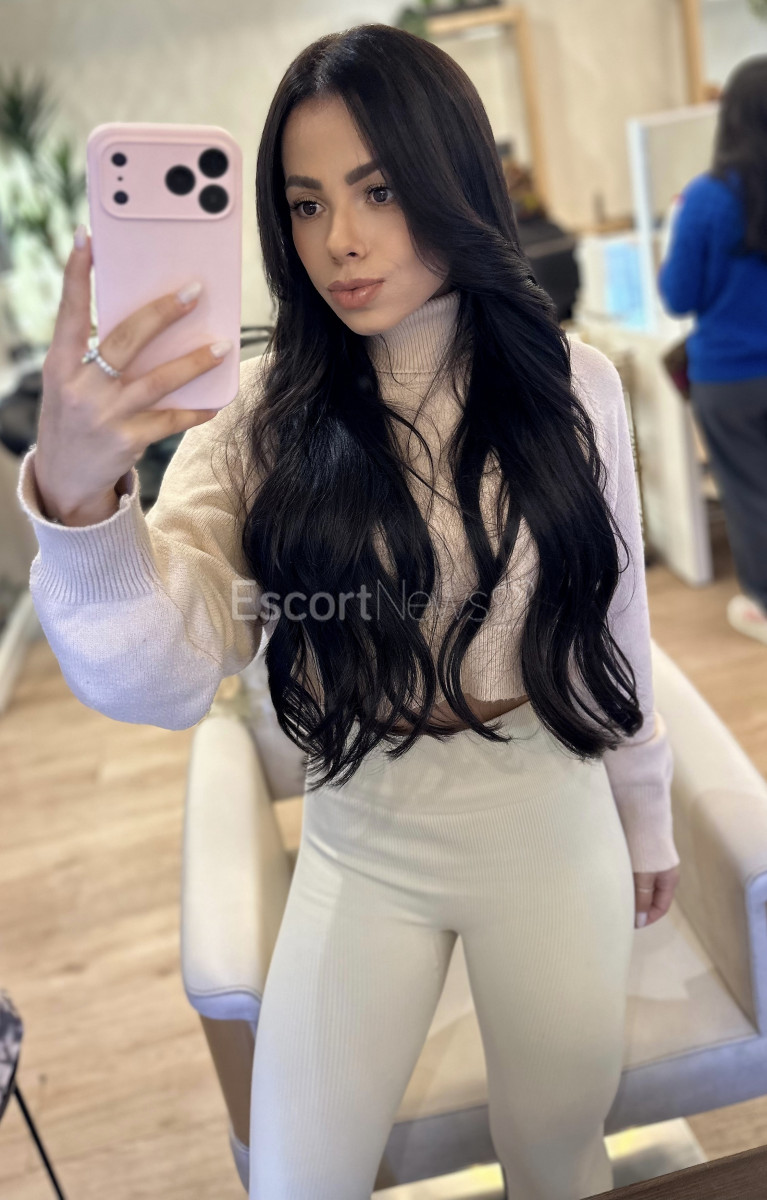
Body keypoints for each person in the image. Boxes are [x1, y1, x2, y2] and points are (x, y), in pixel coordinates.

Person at [17, 24, 680, 1200]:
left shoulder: (570, 384)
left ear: (451, 179)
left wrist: (645, 807)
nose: (340, 241)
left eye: (377, 191)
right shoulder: (260, 417)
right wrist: (81, 506)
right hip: (362, 832)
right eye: (306, 203)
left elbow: (611, 612)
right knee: (296, 1179)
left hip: (545, 811)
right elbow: (159, 675)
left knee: (555, 1158)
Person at [658, 55, 767, 648]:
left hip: (730, 378)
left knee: (750, 492)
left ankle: (765, 607)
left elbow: (679, 296)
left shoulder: (706, 198)